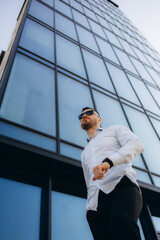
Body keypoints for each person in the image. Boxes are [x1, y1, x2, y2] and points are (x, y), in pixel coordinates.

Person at [79, 107, 144, 240]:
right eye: (81, 116)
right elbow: (89, 180)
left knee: (123, 226)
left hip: (121, 185)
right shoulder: (84, 153)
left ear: (100, 119)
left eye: (89, 113)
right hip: (96, 203)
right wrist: (89, 206)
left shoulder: (115, 130)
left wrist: (109, 162)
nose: (84, 116)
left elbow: (136, 144)